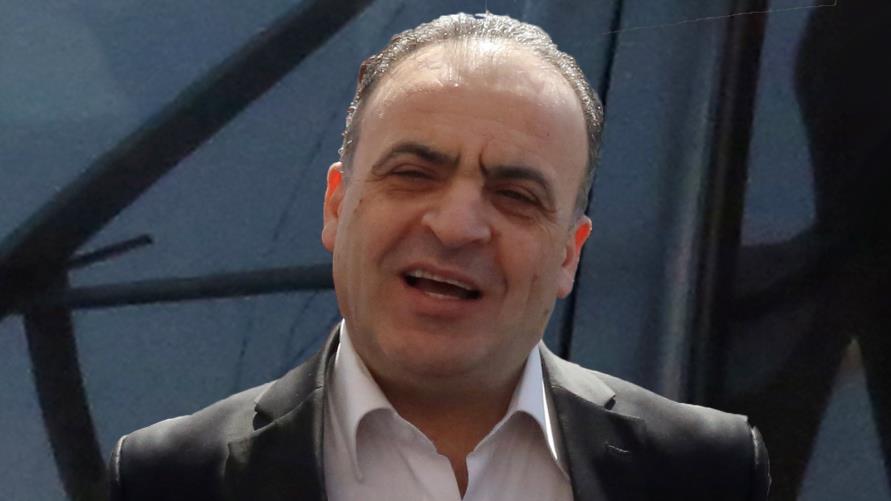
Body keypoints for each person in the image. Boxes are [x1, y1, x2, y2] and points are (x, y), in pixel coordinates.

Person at [108, 13, 769, 501]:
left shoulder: (704, 471)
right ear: (336, 205)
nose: (456, 227)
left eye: (515, 196)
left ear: (570, 255)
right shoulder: (173, 478)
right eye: (413, 174)